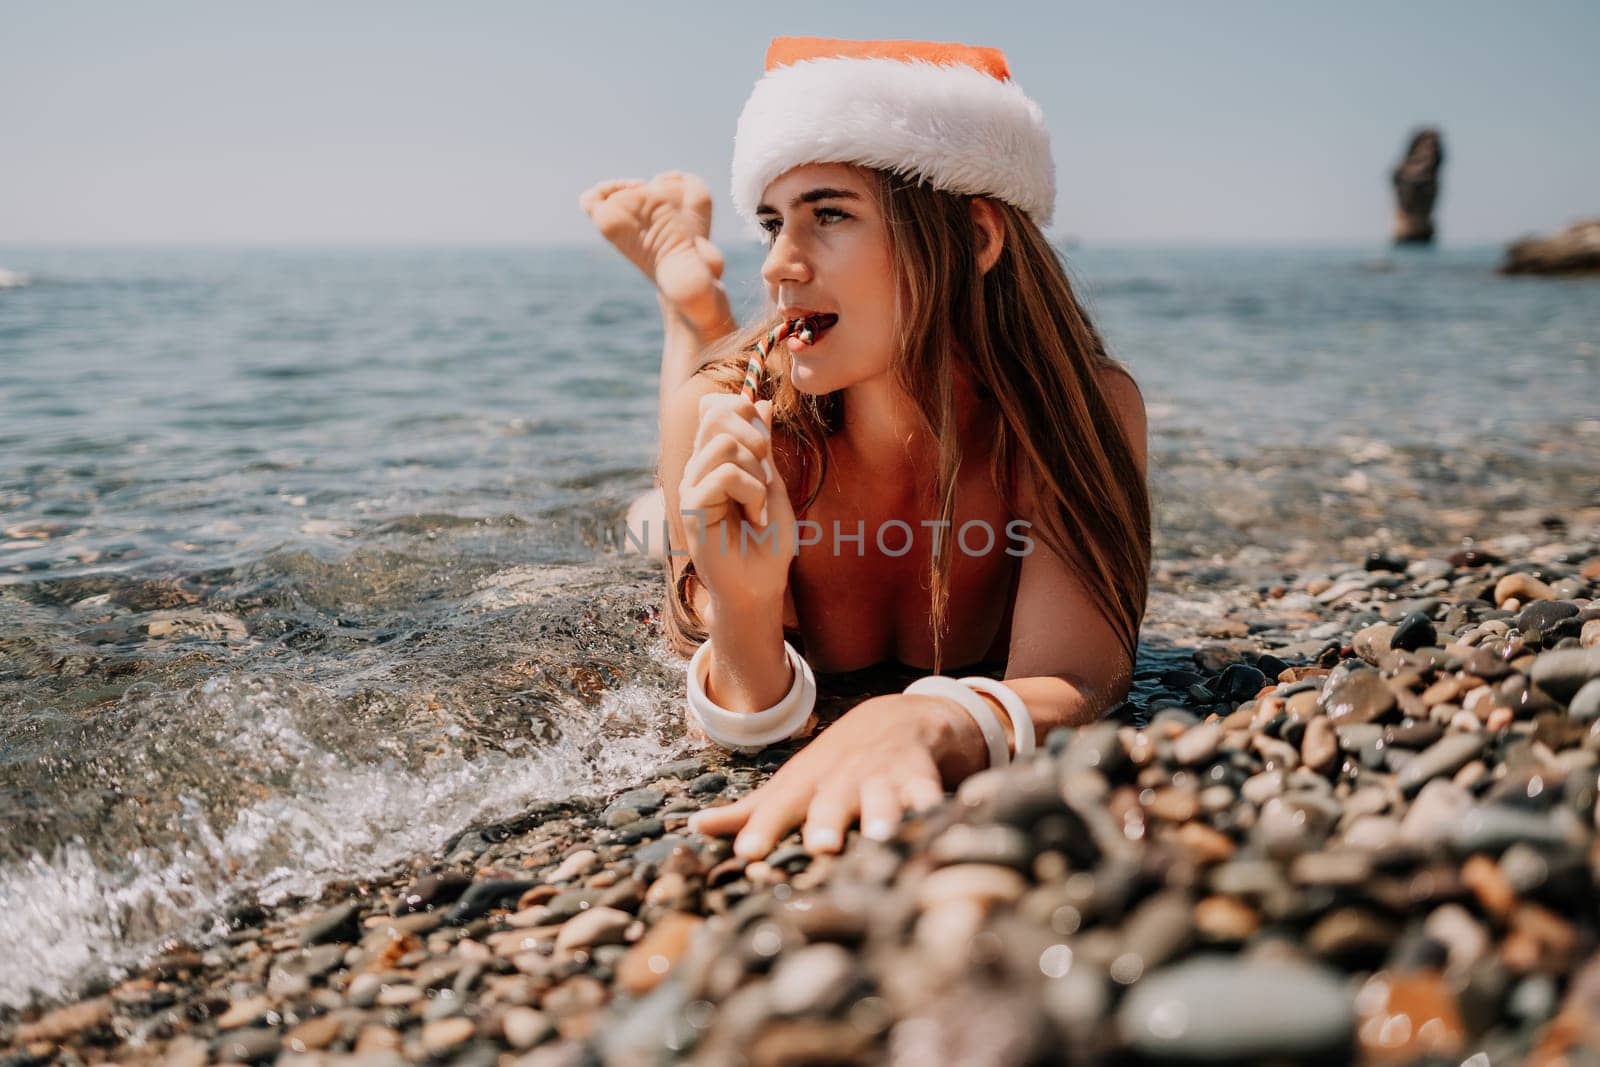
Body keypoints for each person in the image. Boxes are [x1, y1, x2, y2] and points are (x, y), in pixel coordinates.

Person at [579, 37, 1150, 862]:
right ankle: (689, 312)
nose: (776, 264)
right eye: (773, 222)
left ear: (978, 237)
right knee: (667, 479)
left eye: (830, 213)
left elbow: (1085, 675)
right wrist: (743, 605)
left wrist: (926, 718)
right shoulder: (745, 419)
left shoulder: (1074, 411)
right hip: (731, 421)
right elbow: (745, 720)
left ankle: (696, 306)